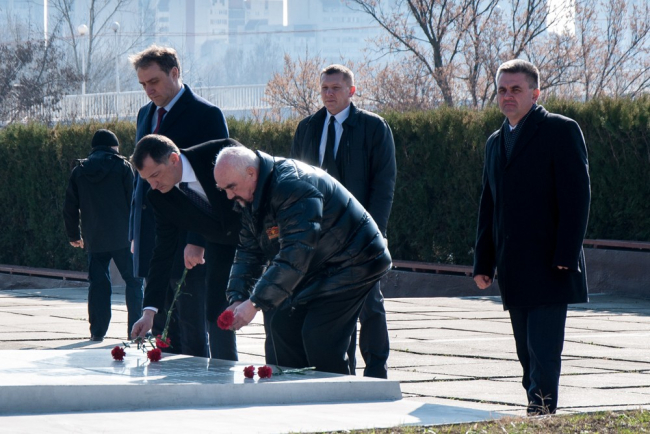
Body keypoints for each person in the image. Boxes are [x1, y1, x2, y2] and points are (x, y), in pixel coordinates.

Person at [473, 59, 590, 415]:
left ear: (535, 93)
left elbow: (577, 197)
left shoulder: (560, 130)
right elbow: (489, 205)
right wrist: (484, 262)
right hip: (513, 265)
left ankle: (541, 413)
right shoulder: (495, 142)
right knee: (525, 351)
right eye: (502, 90)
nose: (507, 96)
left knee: (543, 348)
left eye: (516, 89)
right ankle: (536, 408)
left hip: (551, 262)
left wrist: (566, 254)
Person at [215, 145, 392, 375]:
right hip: (318, 264)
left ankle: (336, 394)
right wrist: (238, 297)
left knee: (320, 336)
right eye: (223, 190)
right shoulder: (251, 196)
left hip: (355, 260)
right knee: (281, 326)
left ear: (251, 173)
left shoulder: (292, 186)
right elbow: (249, 251)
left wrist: (255, 302)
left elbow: (295, 254)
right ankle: (293, 391)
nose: (229, 196)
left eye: (231, 187)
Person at [291, 64, 396, 378]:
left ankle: (376, 372)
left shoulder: (373, 127)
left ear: (351, 91)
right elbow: (294, 181)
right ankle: (340, 372)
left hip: (361, 233)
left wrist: (376, 231)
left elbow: (384, 184)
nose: (329, 94)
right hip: (318, 236)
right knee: (331, 306)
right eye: (324, 88)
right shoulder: (308, 128)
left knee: (369, 303)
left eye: (336, 88)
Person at [128, 45, 230, 358]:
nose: (149, 90)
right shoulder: (145, 114)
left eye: (154, 81)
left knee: (193, 324)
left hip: (191, 239)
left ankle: (207, 378)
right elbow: (142, 179)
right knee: (162, 328)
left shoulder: (206, 115)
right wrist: (135, 231)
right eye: (143, 84)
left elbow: (216, 185)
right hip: (156, 231)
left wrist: (197, 240)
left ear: (174, 73)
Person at [129, 135, 240, 361]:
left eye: (155, 175)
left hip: (263, 236)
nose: (153, 185)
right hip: (220, 244)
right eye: (146, 180)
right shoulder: (159, 197)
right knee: (218, 315)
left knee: (276, 311)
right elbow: (163, 252)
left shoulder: (220, 153)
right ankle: (223, 375)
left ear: (173, 159)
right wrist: (149, 312)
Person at [63, 129, 144, 341]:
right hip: (123, 238)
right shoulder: (123, 167)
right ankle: (136, 331)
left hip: (94, 238)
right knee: (134, 282)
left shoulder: (79, 171)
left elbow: (70, 207)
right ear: (112, 147)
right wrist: (138, 233)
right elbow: (135, 202)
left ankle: (97, 332)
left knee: (98, 284)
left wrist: (74, 235)